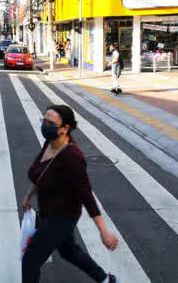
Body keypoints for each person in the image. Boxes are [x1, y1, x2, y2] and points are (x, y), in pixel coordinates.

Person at [22, 105, 119, 283]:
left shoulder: (72, 157)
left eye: (51, 123)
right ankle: (106, 279)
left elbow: (87, 196)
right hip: (48, 210)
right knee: (69, 251)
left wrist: (104, 232)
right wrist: (29, 195)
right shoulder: (50, 143)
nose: (45, 125)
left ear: (65, 128)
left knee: (30, 260)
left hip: (62, 216)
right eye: (44, 120)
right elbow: (40, 174)